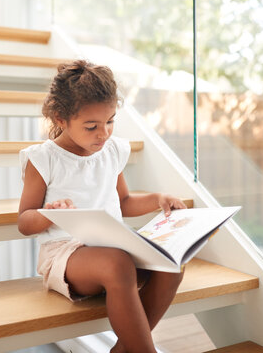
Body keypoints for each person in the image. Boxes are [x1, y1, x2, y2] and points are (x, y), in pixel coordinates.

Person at [18, 60, 186, 353]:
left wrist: (157, 199)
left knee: (172, 261)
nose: (103, 133)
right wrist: (49, 214)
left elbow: (123, 202)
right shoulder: (44, 159)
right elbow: (24, 222)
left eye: (110, 121)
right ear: (60, 118)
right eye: (91, 126)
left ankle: (124, 349)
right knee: (118, 262)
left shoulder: (111, 151)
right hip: (65, 254)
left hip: (113, 245)